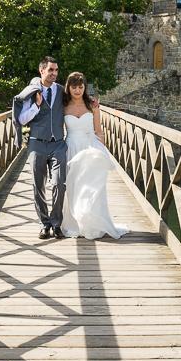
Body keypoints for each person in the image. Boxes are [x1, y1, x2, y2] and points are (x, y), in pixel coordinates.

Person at [60, 72, 129, 240]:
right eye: (74, 87)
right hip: (71, 148)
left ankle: (93, 223)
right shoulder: (62, 106)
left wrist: (101, 150)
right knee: (73, 186)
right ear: (68, 87)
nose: (77, 90)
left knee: (92, 188)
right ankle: (75, 223)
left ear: (84, 88)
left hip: (90, 147)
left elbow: (98, 130)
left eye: (80, 87)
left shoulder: (92, 105)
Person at [13, 56, 67, 239]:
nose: (54, 73)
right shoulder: (32, 92)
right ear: (41, 71)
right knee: (38, 185)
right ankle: (44, 224)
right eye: (50, 70)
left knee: (59, 183)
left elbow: (77, 99)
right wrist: (36, 105)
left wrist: (92, 106)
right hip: (36, 143)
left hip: (58, 143)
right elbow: (21, 119)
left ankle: (56, 223)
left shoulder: (61, 90)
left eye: (56, 70)